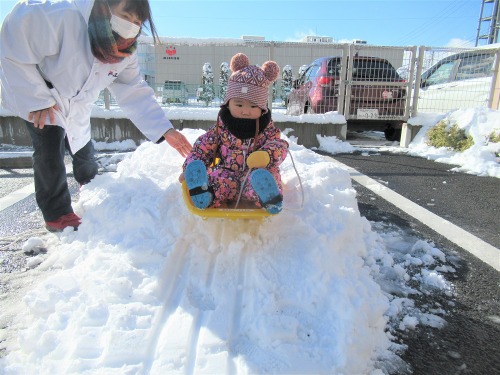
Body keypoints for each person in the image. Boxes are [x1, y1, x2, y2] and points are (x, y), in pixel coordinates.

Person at [0, 0, 192, 232]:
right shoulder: (64, 17)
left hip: (78, 102)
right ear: (106, 6)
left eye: (136, 22)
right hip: (39, 90)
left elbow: (134, 91)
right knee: (49, 146)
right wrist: (37, 99)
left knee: (82, 146)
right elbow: (12, 39)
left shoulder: (125, 52)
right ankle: (57, 214)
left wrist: (165, 130)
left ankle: (90, 182)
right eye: (126, 15)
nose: (131, 25)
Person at [180, 53, 289, 214]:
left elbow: (279, 146)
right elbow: (203, 147)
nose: (245, 111)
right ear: (228, 103)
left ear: (262, 108)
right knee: (216, 180)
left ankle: (269, 198)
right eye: (239, 104)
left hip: (255, 175)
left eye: (253, 107)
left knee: (265, 179)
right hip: (227, 174)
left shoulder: (266, 128)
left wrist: (267, 155)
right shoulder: (221, 127)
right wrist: (190, 166)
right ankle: (204, 193)